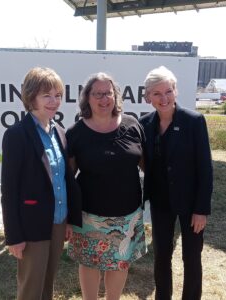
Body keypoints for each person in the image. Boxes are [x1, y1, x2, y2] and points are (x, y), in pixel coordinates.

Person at [1, 67, 82, 300]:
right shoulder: (17, 134)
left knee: (48, 283)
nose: (54, 101)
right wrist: (14, 236)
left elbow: (64, 180)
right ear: (31, 96)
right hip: (31, 225)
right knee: (31, 289)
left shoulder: (59, 132)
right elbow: (10, 189)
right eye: (47, 95)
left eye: (57, 95)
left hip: (57, 221)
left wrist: (67, 220)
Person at [66, 72, 146, 300]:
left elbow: (146, 165)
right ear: (87, 98)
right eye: (97, 94)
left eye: (108, 93)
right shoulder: (76, 133)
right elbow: (69, 178)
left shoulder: (132, 125)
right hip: (89, 215)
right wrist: (67, 216)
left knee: (120, 264)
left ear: (115, 95)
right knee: (90, 264)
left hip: (127, 214)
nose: (103, 99)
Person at [139, 66, 213, 300]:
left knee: (191, 256)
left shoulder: (194, 121)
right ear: (148, 96)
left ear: (176, 91)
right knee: (162, 256)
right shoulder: (144, 124)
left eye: (168, 91)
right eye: (157, 93)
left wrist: (201, 210)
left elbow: (205, 168)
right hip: (161, 202)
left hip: (191, 203)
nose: (164, 98)